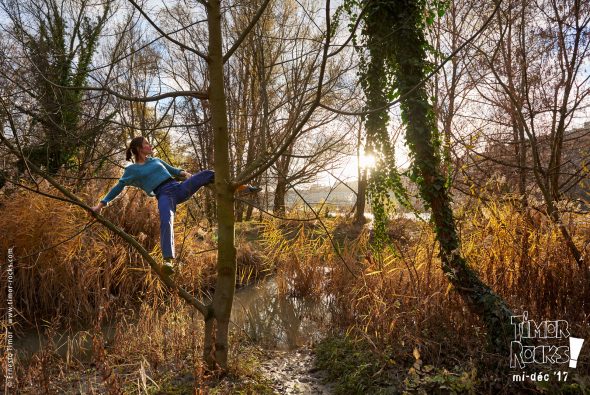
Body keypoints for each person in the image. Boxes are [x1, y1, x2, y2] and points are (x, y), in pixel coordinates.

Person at [91, 136, 260, 275]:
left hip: (178, 188)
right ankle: (168, 261)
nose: (150, 146)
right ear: (138, 149)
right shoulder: (131, 170)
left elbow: (174, 171)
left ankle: (241, 187)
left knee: (208, 173)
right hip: (163, 195)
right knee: (166, 221)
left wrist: (185, 173)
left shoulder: (156, 160)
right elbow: (118, 188)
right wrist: (101, 205)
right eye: (146, 144)